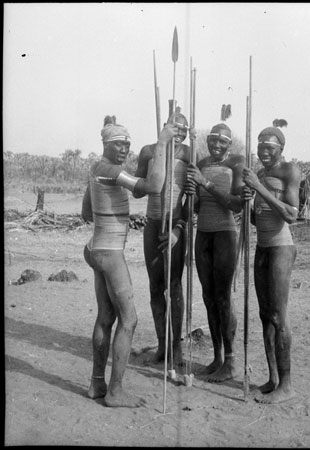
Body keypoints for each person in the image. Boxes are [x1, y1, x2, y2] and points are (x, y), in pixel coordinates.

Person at [81, 115, 178, 408]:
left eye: (127, 144)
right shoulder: (110, 169)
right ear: (106, 145)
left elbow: (87, 209)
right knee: (129, 320)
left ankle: (97, 385)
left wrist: (109, 215)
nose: (124, 149)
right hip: (109, 253)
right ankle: (115, 391)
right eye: (118, 144)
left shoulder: (99, 169)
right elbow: (153, 186)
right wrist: (161, 143)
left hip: (96, 248)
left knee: (106, 317)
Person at [241, 126, 301, 404]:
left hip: (281, 247)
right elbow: (259, 216)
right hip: (262, 247)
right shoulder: (260, 173)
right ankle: (273, 379)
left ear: (281, 148)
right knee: (265, 316)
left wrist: (259, 188)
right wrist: (248, 204)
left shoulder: (290, 170)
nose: (264, 152)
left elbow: (290, 214)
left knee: (278, 316)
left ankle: (287, 386)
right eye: (260, 147)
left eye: (270, 148)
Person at [186, 122, 245, 382]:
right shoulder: (200, 164)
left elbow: (236, 204)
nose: (217, 144)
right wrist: (192, 194)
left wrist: (206, 184)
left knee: (223, 297)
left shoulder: (237, 164)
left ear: (229, 144)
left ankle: (231, 361)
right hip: (203, 234)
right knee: (208, 296)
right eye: (213, 140)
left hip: (224, 234)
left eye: (222, 141)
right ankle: (218, 357)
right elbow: (198, 206)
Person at [133, 111, 192, 367]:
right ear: (165, 127)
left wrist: (179, 229)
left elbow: (194, 197)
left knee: (175, 286)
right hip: (153, 223)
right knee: (155, 286)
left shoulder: (190, 155)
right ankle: (162, 345)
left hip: (175, 226)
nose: (178, 134)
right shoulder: (148, 151)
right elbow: (138, 191)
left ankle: (176, 348)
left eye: (184, 130)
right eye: (174, 128)